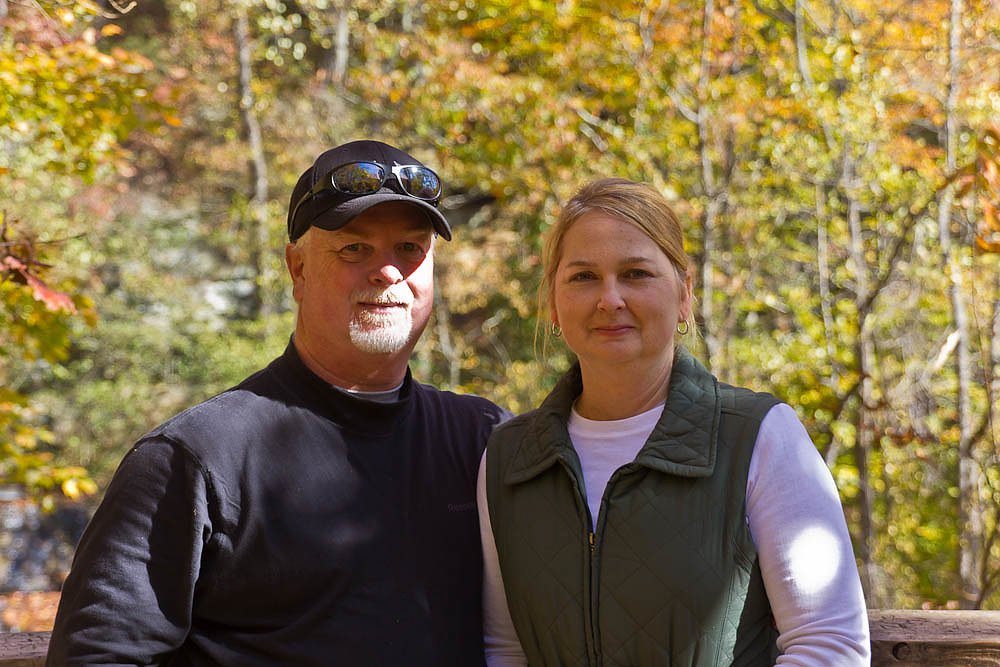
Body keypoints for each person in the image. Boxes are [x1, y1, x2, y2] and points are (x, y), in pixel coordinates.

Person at [48, 139, 508, 666]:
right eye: (354, 249)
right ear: (298, 270)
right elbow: (99, 656)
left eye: (410, 248)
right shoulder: (195, 458)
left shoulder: (485, 441)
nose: (387, 271)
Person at [478, 177, 870, 666]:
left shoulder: (758, 435)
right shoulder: (509, 458)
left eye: (637, 273)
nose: (610, 299)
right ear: (554, 303)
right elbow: (507, 650)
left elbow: (830, 644)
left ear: (684, 294)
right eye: (583, 277)